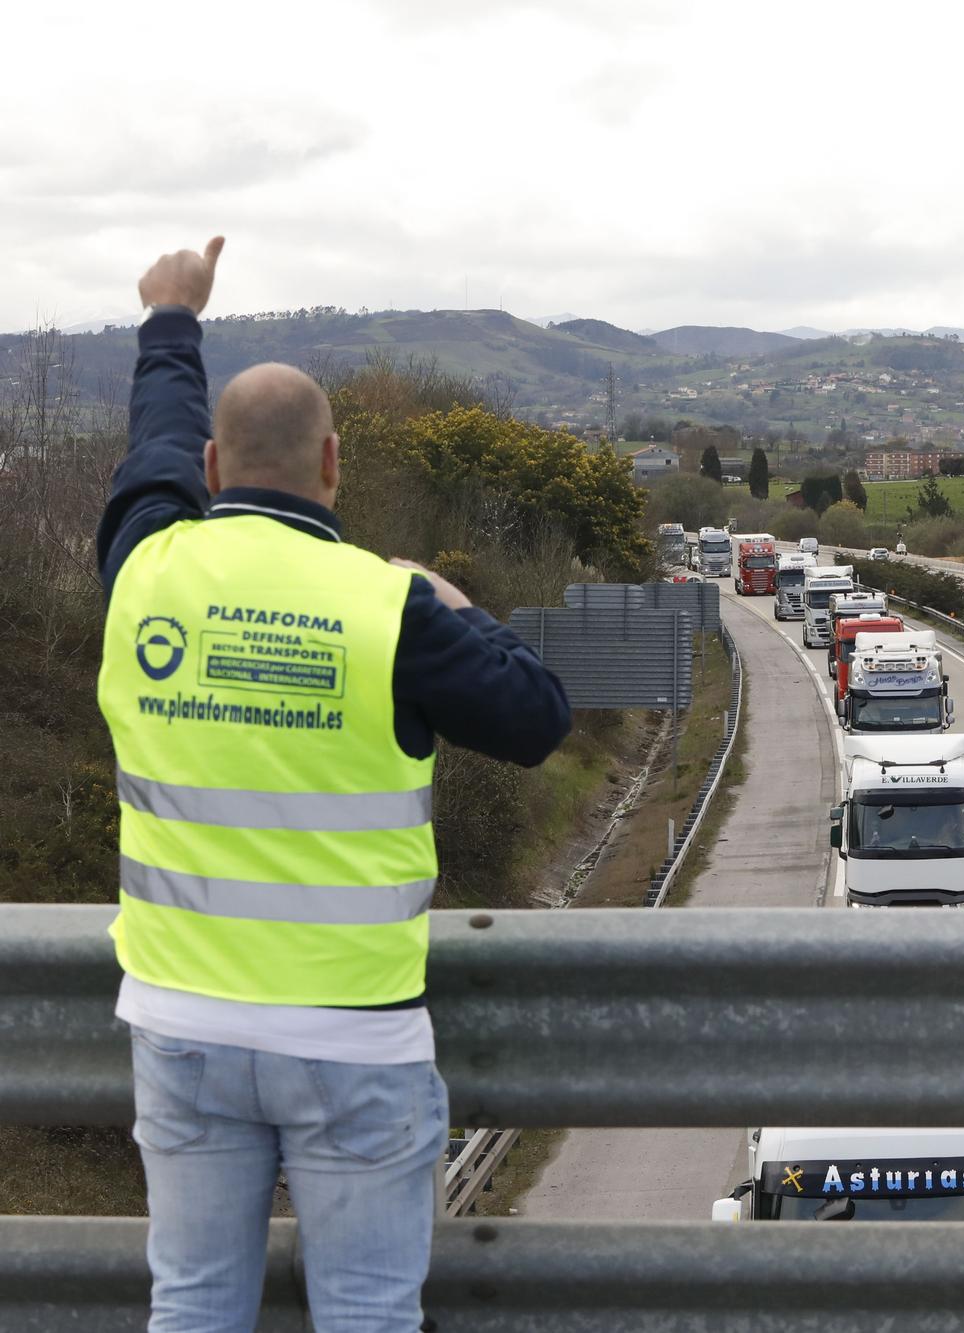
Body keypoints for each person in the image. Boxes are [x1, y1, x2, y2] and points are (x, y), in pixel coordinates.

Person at [98, 237, 572, 1332]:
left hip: (183, 1023)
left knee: (195, 1304)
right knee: (365, 1309)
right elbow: (538, 718)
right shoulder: (388, 608)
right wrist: (455, 601)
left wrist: (173, 320)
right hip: (356, 1037)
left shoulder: (144, 575)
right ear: (334, 466)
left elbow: (152, 447)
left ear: (213, 472)